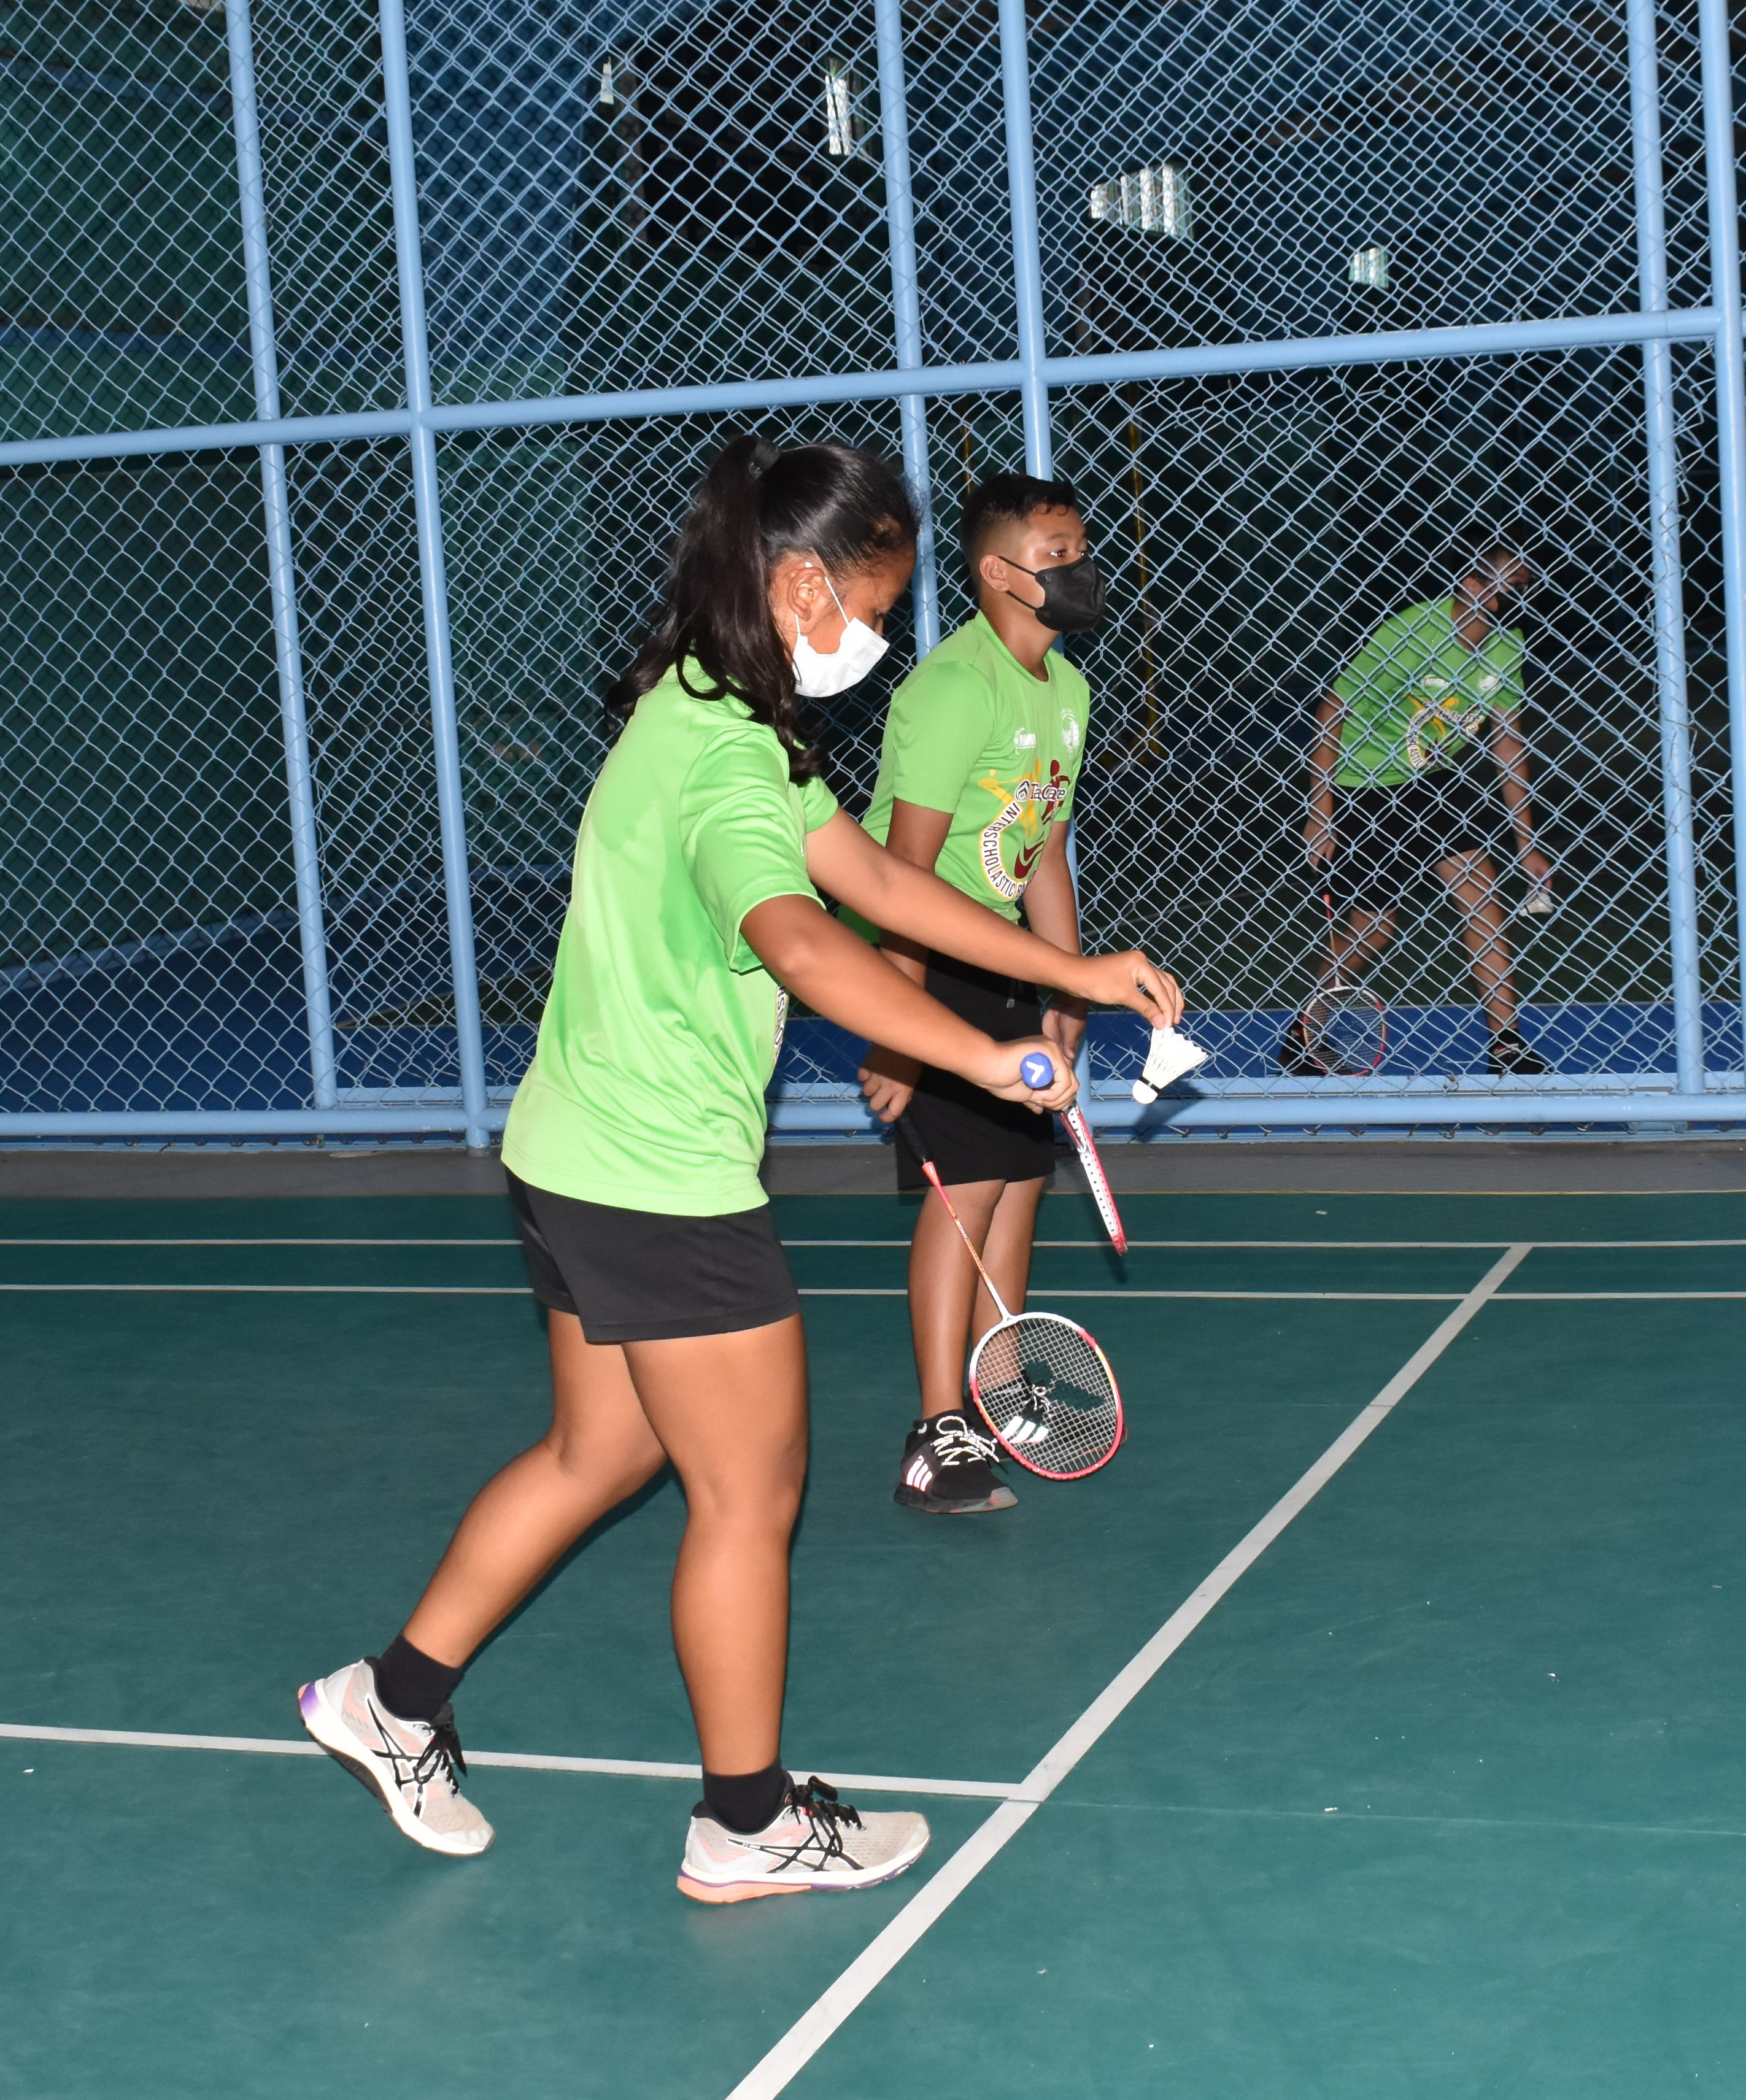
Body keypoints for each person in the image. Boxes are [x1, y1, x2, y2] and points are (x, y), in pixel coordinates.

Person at [298, 435, 1182, 1903]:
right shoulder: (718, 751)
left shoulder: (718, 712)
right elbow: (804, 941)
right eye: (869, 603)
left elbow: (881, 882)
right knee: (749, 1488)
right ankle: (745, 1816)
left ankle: (387, 1703)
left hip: (569, 1154)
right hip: (655, 1174)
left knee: (605, 1450)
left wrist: (1063, 966)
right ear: (791, 584)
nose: (880, 638)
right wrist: (974, 1057)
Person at [852, 470, 1162, 1516]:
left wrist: (1065, 987)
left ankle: (1000, 1381)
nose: (1079, 570)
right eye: (1056, 555)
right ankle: (937, 1428)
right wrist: (895, 1031)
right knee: (965, 1189)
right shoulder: (954, 690)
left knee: (1021, 1182)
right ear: (997, 574)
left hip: (1013, 968)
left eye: (1081, 550)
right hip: (931, 962)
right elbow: (902, 870)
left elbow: (1043, 853)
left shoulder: (1066, 690)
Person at [1280, 542, 1552, 1077]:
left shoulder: (1507, 645)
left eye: (1529, 588)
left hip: (1433, 780)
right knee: (1375, 928)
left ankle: (1508, 1045)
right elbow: (1334, 707)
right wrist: (1321, 810)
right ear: (1474, 587)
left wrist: (1530, 844)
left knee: (1479, 884)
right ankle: (1305, 1030)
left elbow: (1508, 744)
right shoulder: (1410, 634)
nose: (1524, 597)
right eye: (1514, 586)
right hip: (1366, 783)